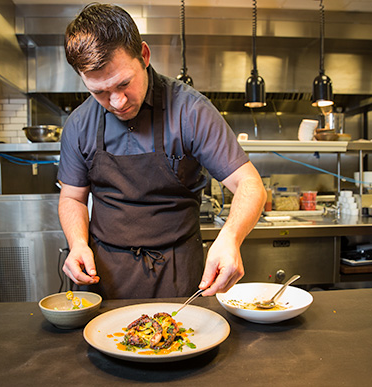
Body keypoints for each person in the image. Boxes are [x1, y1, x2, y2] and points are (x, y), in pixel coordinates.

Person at [58, 3, 266, 299]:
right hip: (103, 275)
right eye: (100, 92)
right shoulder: (79, 124)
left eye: (124, 84)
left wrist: (230, 237)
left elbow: (250, 184)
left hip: (178, 273)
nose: (117, 102)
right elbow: (72, 198)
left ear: (144, 55)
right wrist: (77, 243)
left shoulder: (191, 111)